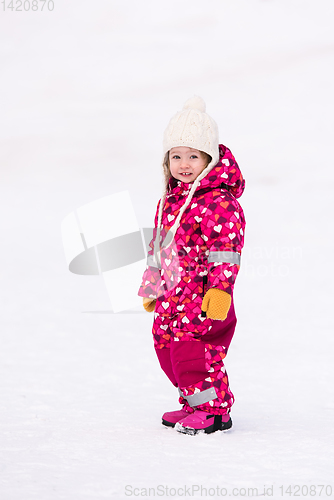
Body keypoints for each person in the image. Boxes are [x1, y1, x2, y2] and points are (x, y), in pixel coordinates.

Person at [138, 96, 246, 435]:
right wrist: (152, 286)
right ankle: (193, 402)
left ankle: (215, 411)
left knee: (195, 355)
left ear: (208, 158)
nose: (184, 164)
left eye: (193, 156)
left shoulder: (219, 202)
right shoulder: (168, 201)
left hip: (201, 298)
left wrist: (219, 290)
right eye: (176, 156)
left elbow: (226, 249)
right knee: (168, 351)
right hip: (172, 299)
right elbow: (159, 246)